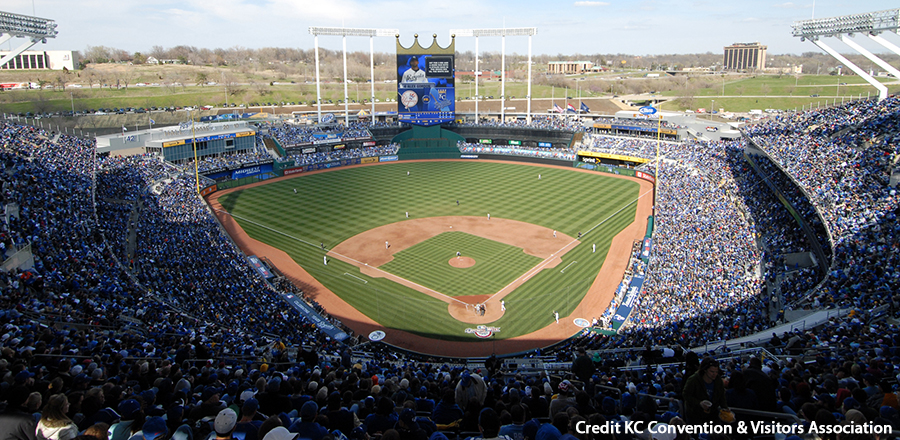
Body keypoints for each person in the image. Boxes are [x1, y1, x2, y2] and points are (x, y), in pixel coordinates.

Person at [683, 358, 728, 424]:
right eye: (712, 372)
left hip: (712, 413)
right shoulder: (693, 379)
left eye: (716, 372)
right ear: (705, 370)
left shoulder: (718, 381)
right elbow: (686, 394)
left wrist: (725, 408)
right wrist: (699, 403)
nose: (714, 374)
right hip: (695, 414)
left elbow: (721, 396)